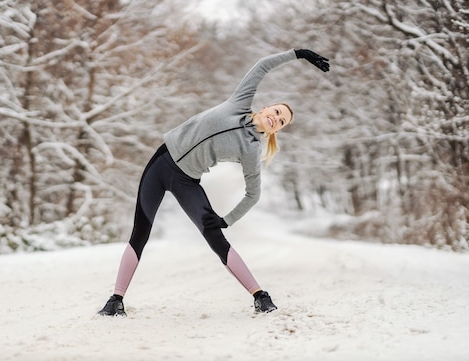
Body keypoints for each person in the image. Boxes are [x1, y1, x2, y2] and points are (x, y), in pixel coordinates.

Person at [98, 48, 330, 316]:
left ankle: (260, 296)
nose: (276, 118)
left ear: (276, 130)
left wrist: (228, 219)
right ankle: (116, 300)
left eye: (281, 122)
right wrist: (298, 54)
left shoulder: (251, 149)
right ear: (265, 107)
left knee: (214, 236)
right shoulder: (239, 102)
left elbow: (253, 194)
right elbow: (263, 65)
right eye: (277, 111)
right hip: (161, 163)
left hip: (187, 181)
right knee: (141, 231)